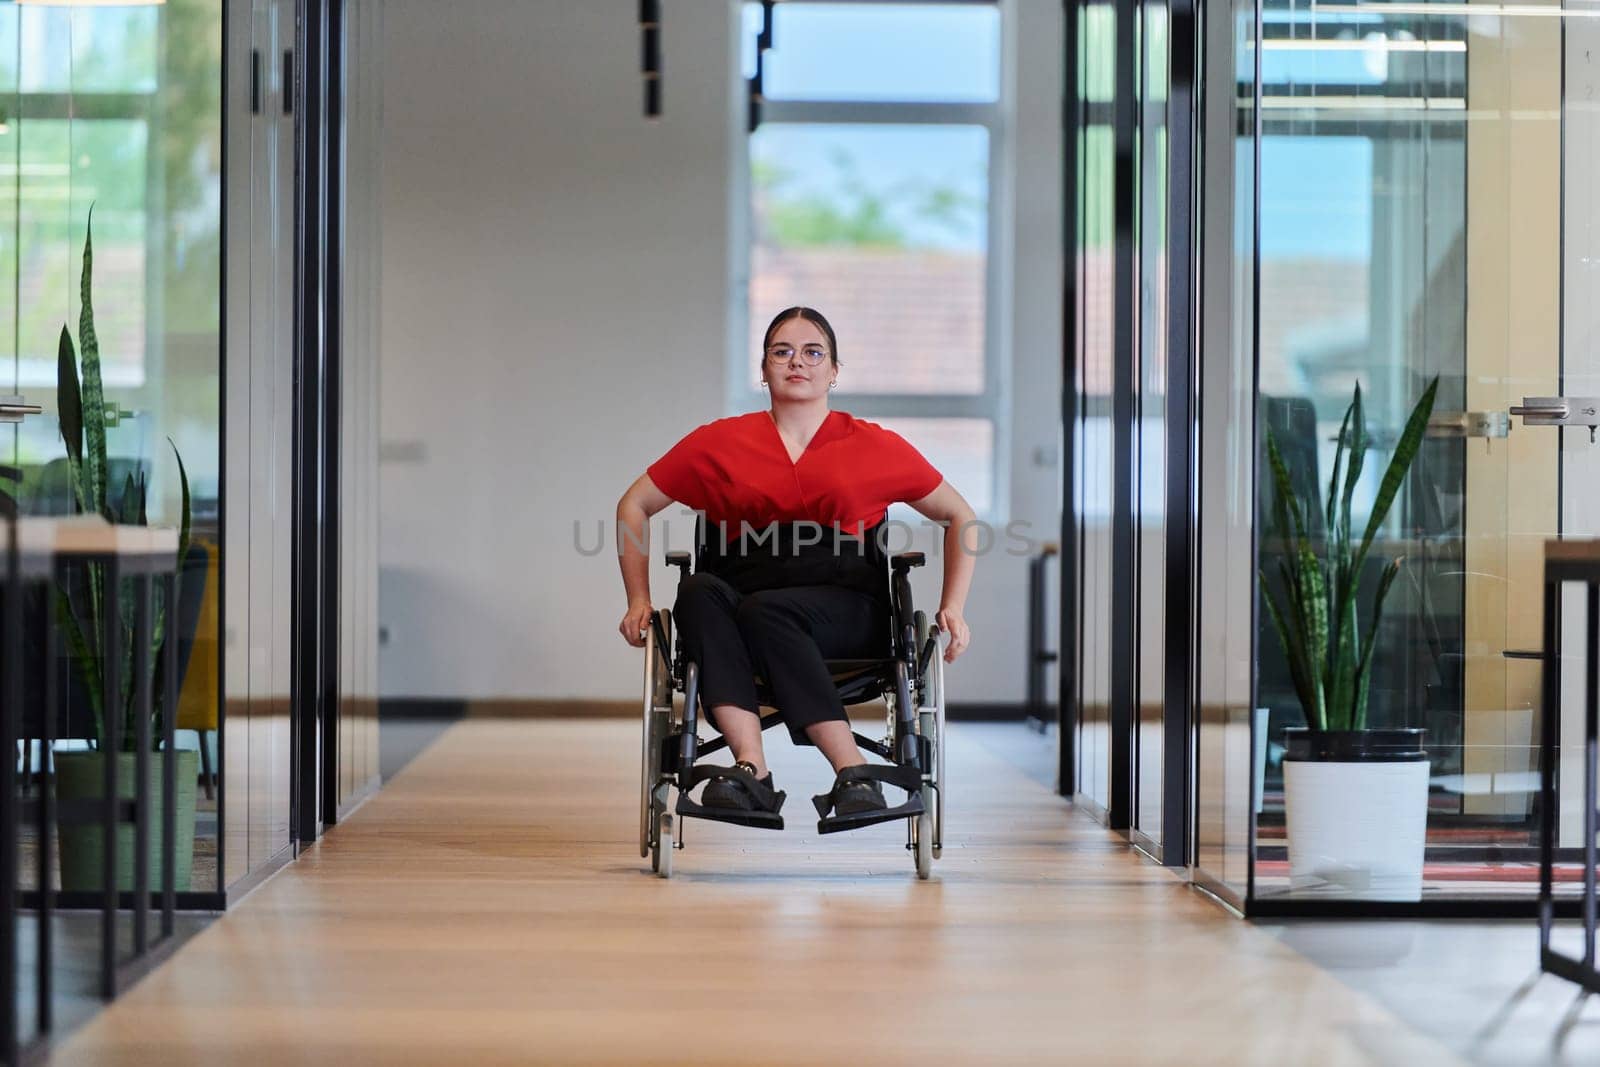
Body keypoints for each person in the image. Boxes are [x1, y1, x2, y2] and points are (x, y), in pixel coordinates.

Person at [616, 306, 977, 819]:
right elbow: (634, 505)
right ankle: (751, 769)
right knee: (697, 592)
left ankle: (852, 771)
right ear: (763, 369)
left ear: (834, 370)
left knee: (766, 612)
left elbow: (960, 516)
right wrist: (638, 599)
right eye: (781, 352)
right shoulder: (719, 442)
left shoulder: (874, 445)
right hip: (740, 594)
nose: (797, 363)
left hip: (846, 606)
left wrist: (954, 606)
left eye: (813, 353)